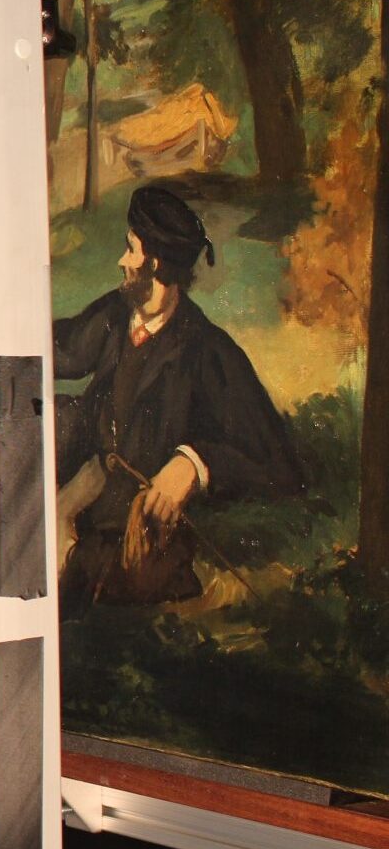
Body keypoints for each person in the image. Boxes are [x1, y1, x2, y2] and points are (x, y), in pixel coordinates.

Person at [53, 185, 304, 615]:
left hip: (137, 558)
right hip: (79, 509)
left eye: (130, 251)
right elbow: (63, 349)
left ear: (154, 264)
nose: (121, 261)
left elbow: (279, 465)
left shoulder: (207, 352)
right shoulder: (117, 313)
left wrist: (193, 465)